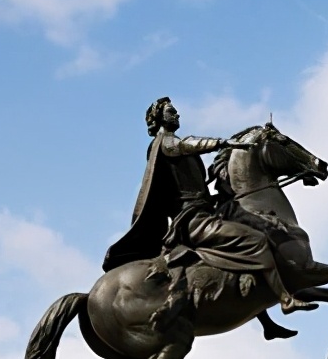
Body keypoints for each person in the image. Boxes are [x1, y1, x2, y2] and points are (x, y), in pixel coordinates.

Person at [103, 97, 315, 328]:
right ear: (159, 118)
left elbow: (192, 190)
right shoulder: (166, 143)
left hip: (201, 213)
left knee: (240, 239)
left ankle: (266, 322)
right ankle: (285, 300)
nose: (177, 115)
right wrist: (223, 144)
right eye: (171, 112)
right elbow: (188, 145)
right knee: (255, 240)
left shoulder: (171, 146)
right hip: (194, 222)